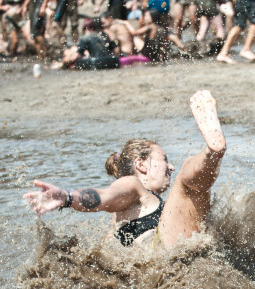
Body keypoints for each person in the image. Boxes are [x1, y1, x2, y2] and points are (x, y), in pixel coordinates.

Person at [24, 90, 227, 251]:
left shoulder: (122, 219)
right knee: (186, 182)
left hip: (156, 261)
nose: (170, 167)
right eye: (164, 160)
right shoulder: (132, 185)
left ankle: (212, 155)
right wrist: (68, 198)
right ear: (141, 165)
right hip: (159, 254)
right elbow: (104, 196)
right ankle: (212, 153)